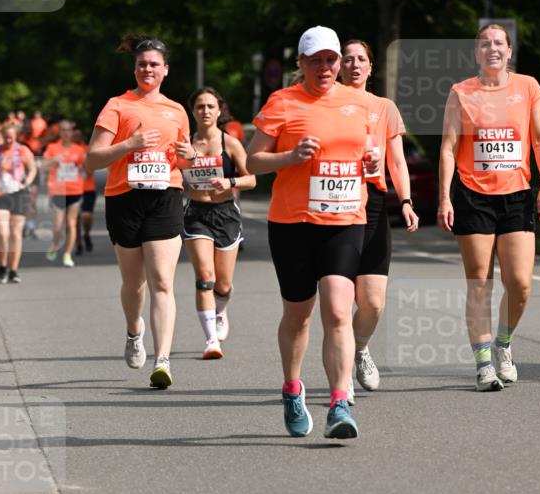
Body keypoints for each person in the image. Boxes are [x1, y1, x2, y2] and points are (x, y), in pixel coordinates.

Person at [247, 26, 378, 440]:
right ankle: (292, 388)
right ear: (300, 64)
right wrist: (290, 155)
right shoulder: (282, 103)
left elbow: (367, 154)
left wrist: (372, 163)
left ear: (341, 62)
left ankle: (339, 403)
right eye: (316, 60)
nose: (325, 67)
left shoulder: (358, 103)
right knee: (298, 317)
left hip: (344, 221)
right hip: (292, 223)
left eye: (331, 60)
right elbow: (252, 162)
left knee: (339, 311)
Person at [438, 23, 540, 390]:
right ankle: (484, 363)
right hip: (473, 195)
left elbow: (539, 138)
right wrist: (444, 196)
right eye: (484, 43)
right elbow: (448, 148)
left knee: (519, 283)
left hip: (517, 193)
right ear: (476, 53)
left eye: (498, 43)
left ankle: (503, 343)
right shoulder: (461, 92)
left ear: (509, 51)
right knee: (480, 283)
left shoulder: (528, 87)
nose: (492, 48)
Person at [86, 33, 194, 389]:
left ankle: (163, 360)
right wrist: (129, 144)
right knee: (134, 282)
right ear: (135, 68)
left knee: (163, 280)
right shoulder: (118, 106)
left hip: (165, 196)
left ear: (165, 70)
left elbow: (181, 155)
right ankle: (135, 332)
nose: (147, 69)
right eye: (142, 64)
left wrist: (188, 156)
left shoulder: (177, 110)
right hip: (124, 197)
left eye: (154, 64)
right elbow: (92, 159)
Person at [340, 40, 418, 397]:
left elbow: (397, 161)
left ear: (371, 67)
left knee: (372, 302)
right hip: (336, 202)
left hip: (372, 204)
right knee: (339, 299)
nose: (354, 65)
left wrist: (405, 200)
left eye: (361, 59)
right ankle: (340, 379)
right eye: (348, 59)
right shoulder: (326, 103)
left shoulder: (383, 107)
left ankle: (359, 349)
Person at [183, 87, 256, 358]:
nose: (205, 111)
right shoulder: (185, 143)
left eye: (210, 106)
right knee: (205, 278)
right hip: (196, 213)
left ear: (219, 111)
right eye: (200, 106)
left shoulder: (231, 143)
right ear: (193, 111)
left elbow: (252, 178)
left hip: (225, 213)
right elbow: (172, 172)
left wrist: (230, 181)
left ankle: (221, 311)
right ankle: (211, 340)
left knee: (222, 285)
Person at [0, 124, 36, 283]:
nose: (8, 139)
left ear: (16, 135)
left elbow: (33, 168)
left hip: (19, 193)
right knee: (2, 232)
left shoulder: (23, 150)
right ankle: (2, 267)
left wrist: (27, 181)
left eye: (11, 136)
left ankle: (13, 271)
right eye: (5, 136)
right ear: (2, 135)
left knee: (15, 233)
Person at [43, 120, 86, 267]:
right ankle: (55, 244)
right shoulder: (52, 148)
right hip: (58, 191)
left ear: (72, 132)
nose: (67, 133)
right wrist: (54, 160)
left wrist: (86, 165)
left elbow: (88, 167)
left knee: (71, 223)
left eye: (69, 130)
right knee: (57, 225)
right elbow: (42, 166)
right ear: (59, 132)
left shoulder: (79, 149)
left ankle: (67, 254)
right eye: (63, 130)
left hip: (75, 190)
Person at [72, 126, 96, 255]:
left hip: (87, 188)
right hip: (71, 190)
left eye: (77, 135)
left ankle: (86, 234)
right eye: (73, 135)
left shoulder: (87, 149)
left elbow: (91, 170)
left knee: (86, 216)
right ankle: (78, 242)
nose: (75, 138)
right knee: (74, 219)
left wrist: (81, 165)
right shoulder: (66, 150)